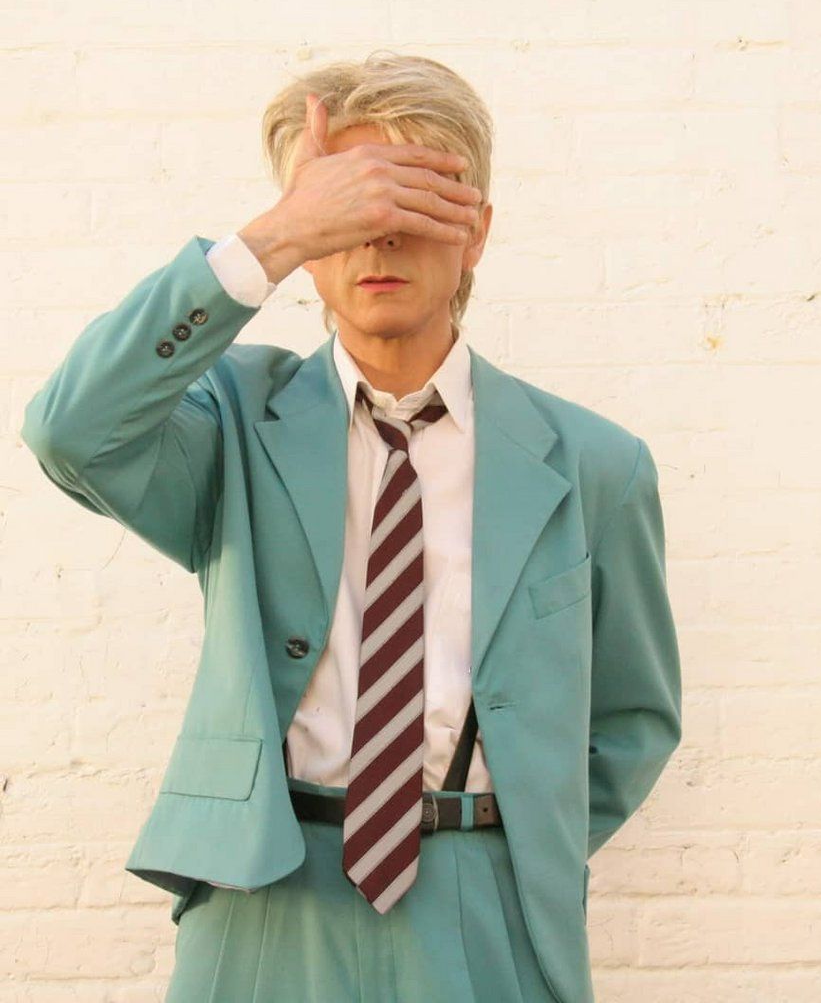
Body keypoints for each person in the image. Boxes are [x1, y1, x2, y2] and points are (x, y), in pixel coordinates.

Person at [20, 50, 682, 1003]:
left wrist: (516, 848)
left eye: (415, 199)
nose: (381, 236)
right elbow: (71, 430)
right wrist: (276, 236)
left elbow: (631, 720)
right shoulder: (231, 425)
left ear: (477, 230)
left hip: (485, 903)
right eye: (350, 203)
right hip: (264, 894)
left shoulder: (595, 465)